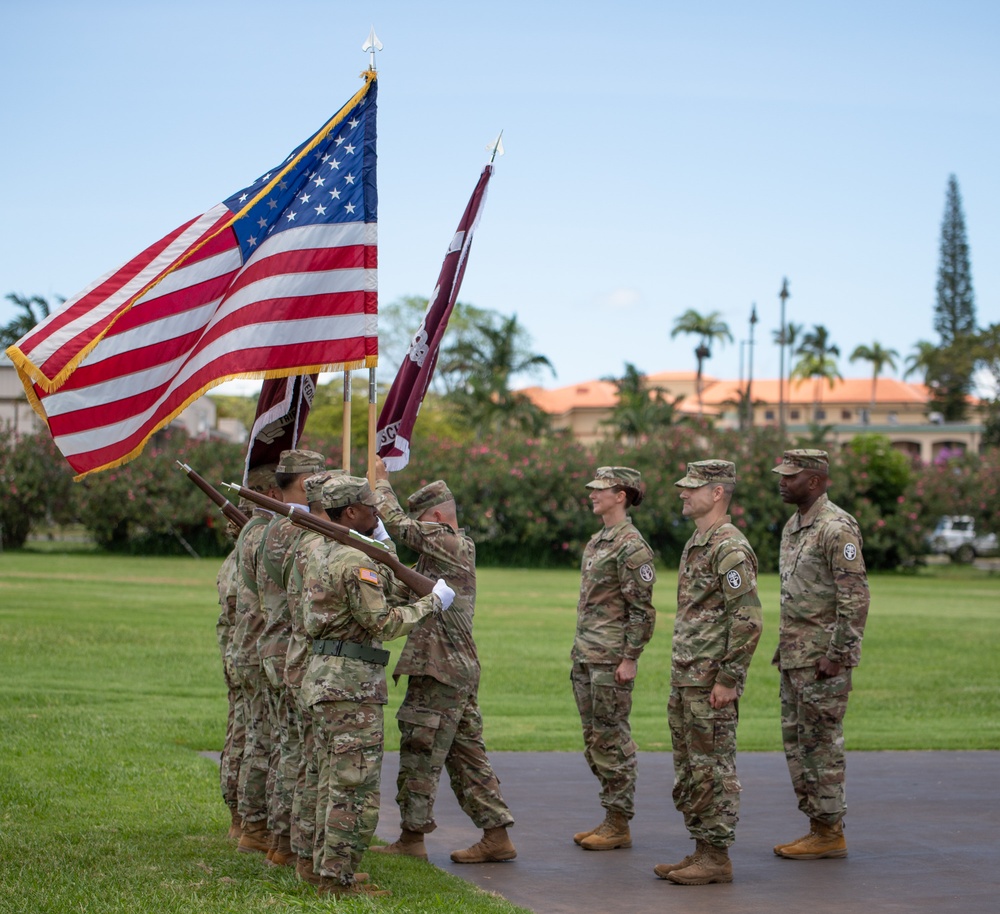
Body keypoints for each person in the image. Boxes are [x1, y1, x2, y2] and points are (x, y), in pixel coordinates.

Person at [300, 474, 456, 898]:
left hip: (324, 678)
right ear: (350, 512)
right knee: (356, 789)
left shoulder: (322, 551)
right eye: (371, 506)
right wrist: (431, 603)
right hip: (351, 687)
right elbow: (383, 623)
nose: (377, 511)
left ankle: (319, 868)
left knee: (328, 779)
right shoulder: (356, 562)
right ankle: (336, 882)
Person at [369, 458, 516, 864]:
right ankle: (496, 834)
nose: (421, 532)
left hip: (440, 670)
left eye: (424, 523)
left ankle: (412, 839)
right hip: (451, 670)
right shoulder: (438, 560)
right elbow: (403, 588)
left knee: (420, 750)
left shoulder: (452, 544)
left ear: (436, 517)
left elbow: (400, 527)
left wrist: (380, 483)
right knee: (466, 755)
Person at [655, 459, 762, 885]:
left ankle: (717, 856)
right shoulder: (698, 542)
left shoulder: (729, 547)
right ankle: (701, 849)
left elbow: (749, 620)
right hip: (687, 678)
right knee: (691, 768)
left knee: (713, 768)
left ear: (717, 493)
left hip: (709, 683)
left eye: (693, 487)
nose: (683, 492)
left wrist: (728, 678)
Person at [771, 449, 870, 860]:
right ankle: (818, 826)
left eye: (790, 476)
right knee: (798, 745)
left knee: (822, 745)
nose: (782, 482)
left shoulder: (836, 528)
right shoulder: (794, 526)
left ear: (814, 481)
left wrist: (840, 654)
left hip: (822, 663)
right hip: (796, 657)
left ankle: (830, 831)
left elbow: (855, 596)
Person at [571, 466, 656, 851]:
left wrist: (630, 658)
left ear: (621, 495)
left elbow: (642, 611)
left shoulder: (631, 546)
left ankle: (619, 821)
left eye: (600, 490)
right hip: (587, 654)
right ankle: (610, 815)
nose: (592, 494)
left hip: (610, 659)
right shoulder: (599, 540)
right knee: (594, 738)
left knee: (611, 738)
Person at [255, 449, 326, 867]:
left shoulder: (277, 525)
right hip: (292, 652)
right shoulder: (293, 529)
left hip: (278, 648)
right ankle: (289, 845)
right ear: (302, 483)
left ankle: (281, 842)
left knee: (289, 748)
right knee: (300, 753)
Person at [228, 463, 281, 855]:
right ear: (274, 495)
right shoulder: (265, 535)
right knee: (264, 741)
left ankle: (247, 823)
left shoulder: (250, 531)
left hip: (247, 648)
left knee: (252, 737)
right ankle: (256, 826)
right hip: (263, 651)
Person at [215, 519, 243, 840]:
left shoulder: (236, 558)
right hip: (245, 658)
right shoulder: (242, 561)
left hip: (237, 658)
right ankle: (241, 819)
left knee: (240, 734)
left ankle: (240, 819)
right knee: (245, 738)